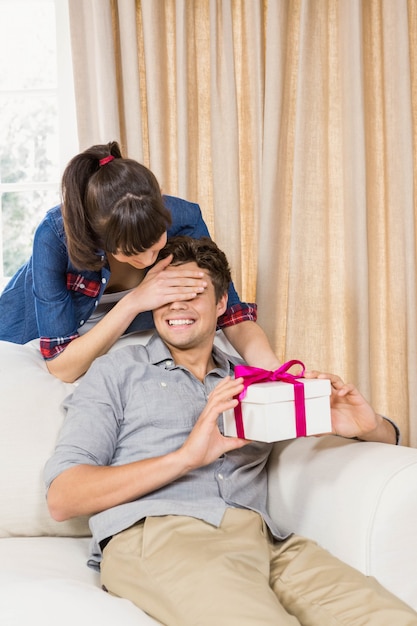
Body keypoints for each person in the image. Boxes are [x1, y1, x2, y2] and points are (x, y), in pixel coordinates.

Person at [44, 236, 414, 626]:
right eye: (168, 292)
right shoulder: (116, 372)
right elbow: (62, 497)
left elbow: (375, 433)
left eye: (195, 293)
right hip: (160, 536)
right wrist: (187, 457)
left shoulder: (258, 383)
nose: (178, 305)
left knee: (391, 618)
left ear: (222, 304)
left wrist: (368, 426)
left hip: (267, 543)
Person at [0, 141, 279, 383]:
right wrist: (135, 301)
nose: (148, 259)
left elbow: (232, 317)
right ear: (101, 240)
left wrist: (280, 375)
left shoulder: (185, 219)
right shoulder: (55, 237)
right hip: (29, 336)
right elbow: (61, 367)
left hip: (121, 344)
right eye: (132, 252)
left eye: (156, 241)